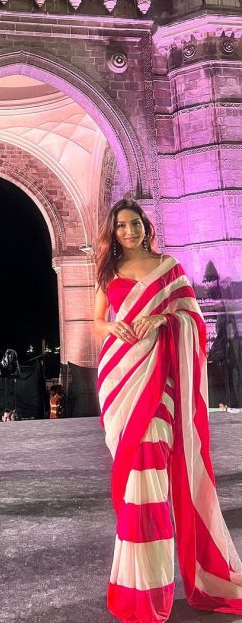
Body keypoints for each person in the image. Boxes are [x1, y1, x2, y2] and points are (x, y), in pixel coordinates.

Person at [94, 198, 242, 623]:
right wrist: (113, 326)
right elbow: (97, 321)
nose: (129, 231)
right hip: (121, 376)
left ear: (146, 226)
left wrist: (164, 320)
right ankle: (137, 586)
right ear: (114, 232)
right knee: (135, 479)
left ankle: (151, 589)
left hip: (161, 382)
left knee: (149, 472)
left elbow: (192, 319)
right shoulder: (109, 272)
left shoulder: (169, 268)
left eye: (135, 223)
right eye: (121, 226)